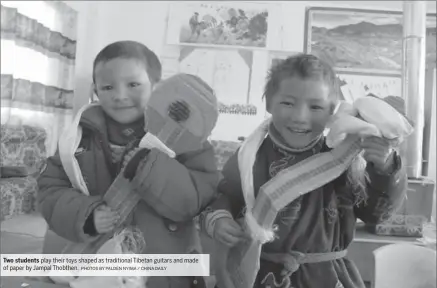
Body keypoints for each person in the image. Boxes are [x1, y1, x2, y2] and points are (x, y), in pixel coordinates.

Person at [202, 54, 409, 288]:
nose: (300, 117)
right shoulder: (248, 157)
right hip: (259, 275)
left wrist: (384, 167)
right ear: (269, 102)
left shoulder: (345, 157)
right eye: (288, 103)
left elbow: (376, 215)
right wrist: (220, 219)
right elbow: (223, 197)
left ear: (333, 111)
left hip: (327, 278)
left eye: (315, 107)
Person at [37, 40, 220, 288]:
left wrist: (150, 167)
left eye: (133, 84)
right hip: (97, 265)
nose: (120, 96)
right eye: (108, 87)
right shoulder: (77, 138)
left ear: (156, 86)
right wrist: (85, 214)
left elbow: (196, 201)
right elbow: (50, 189)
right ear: (95, 90)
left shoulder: (189, 142)